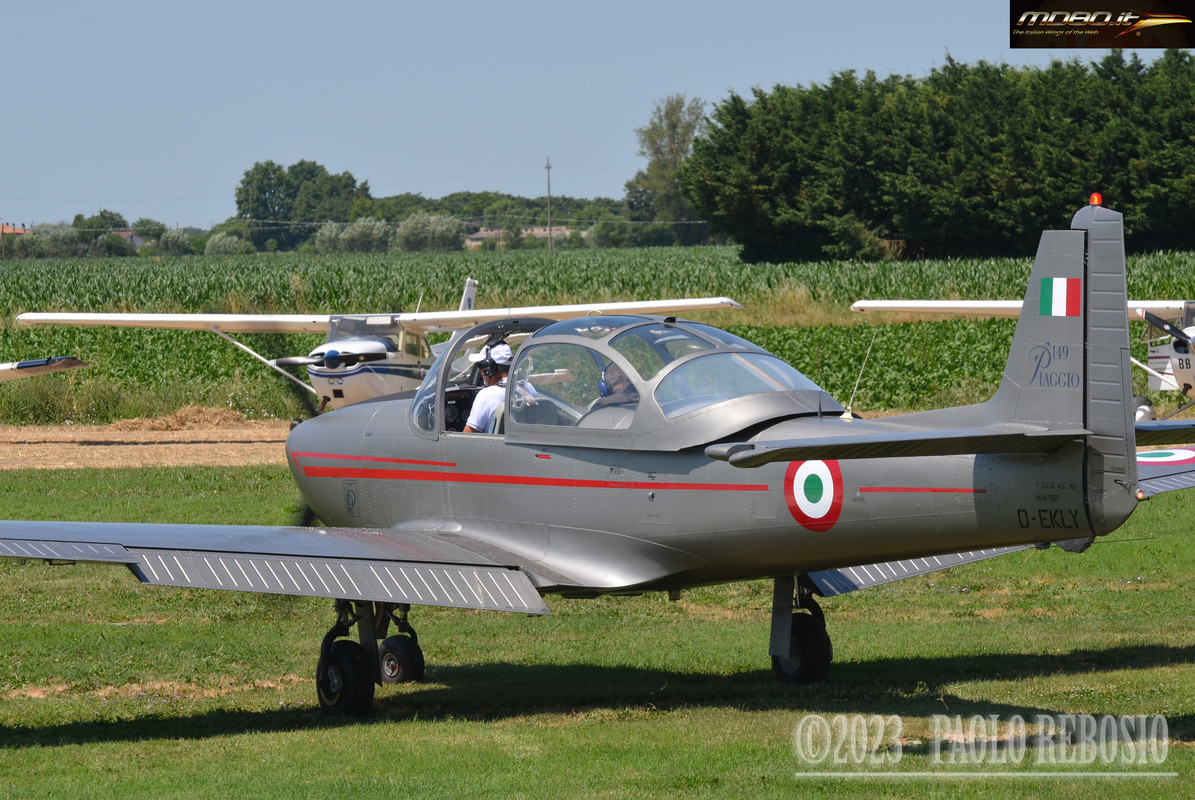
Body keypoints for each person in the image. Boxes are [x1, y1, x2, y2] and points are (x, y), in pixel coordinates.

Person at [463, 343, 513, 433]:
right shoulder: (528, 389)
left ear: (489, 368)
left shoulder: (486, 395)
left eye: (480, 366)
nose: (480, 371)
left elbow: (466, 439)